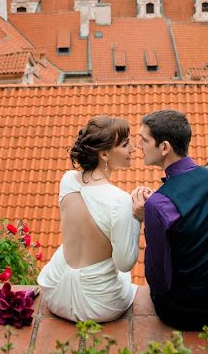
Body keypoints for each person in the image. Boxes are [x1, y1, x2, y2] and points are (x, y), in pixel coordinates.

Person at [132, 109, 208, 330]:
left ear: (165, 147)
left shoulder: (158, 205)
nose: (139, 146)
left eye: (144, 140)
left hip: (184, 313)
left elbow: (157, 280)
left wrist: (147, 217)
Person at [37, 115, 147, 322]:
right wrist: (137, 217)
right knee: (124, 275)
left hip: (55, 291)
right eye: (125, 144)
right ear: (104, 154)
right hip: (98, 304)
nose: (133, 149)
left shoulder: (68, 179)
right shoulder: (120, 201)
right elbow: (124, 263)